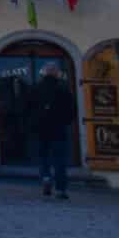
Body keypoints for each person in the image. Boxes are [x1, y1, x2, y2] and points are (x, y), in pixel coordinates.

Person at [33, 64, 77, 200]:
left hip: (41, 128)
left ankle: (46, 178)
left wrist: (32, 125)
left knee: (43, 156)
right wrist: (65, 122)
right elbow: (72, 109)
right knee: (59, 159)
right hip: (59, 128)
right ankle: (60, 189)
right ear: (57, 74)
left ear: (44, 73)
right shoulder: (63, 88)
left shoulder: (36, 88)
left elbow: (27, 108)